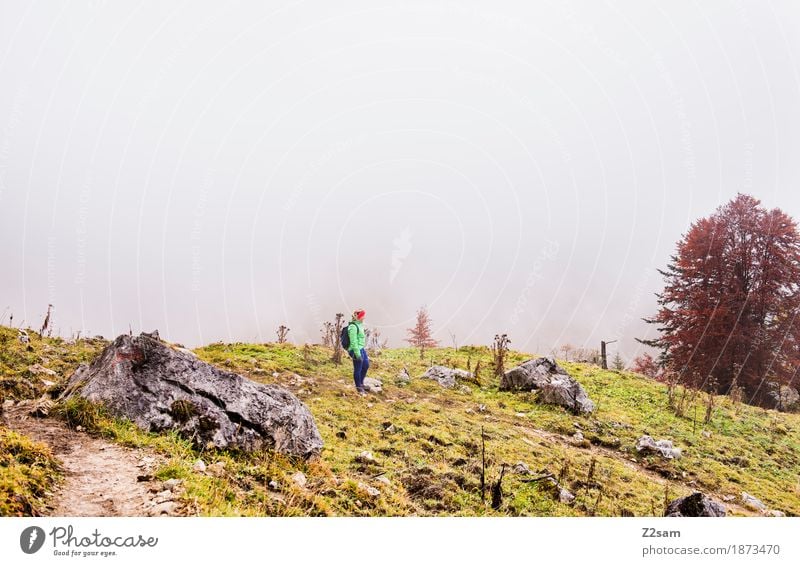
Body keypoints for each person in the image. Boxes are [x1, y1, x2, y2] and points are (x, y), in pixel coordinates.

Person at [347, 309, 369, 395]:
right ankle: (358, 387)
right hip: (355, 349)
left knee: (366, 365)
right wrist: (357, 354)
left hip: (361, 348)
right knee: (358, 368)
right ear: (359, 316)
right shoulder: (353, 327)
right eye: (363, 315)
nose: (364, 317)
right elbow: (353, 341)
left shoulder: (360, 325)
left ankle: (361, 383)